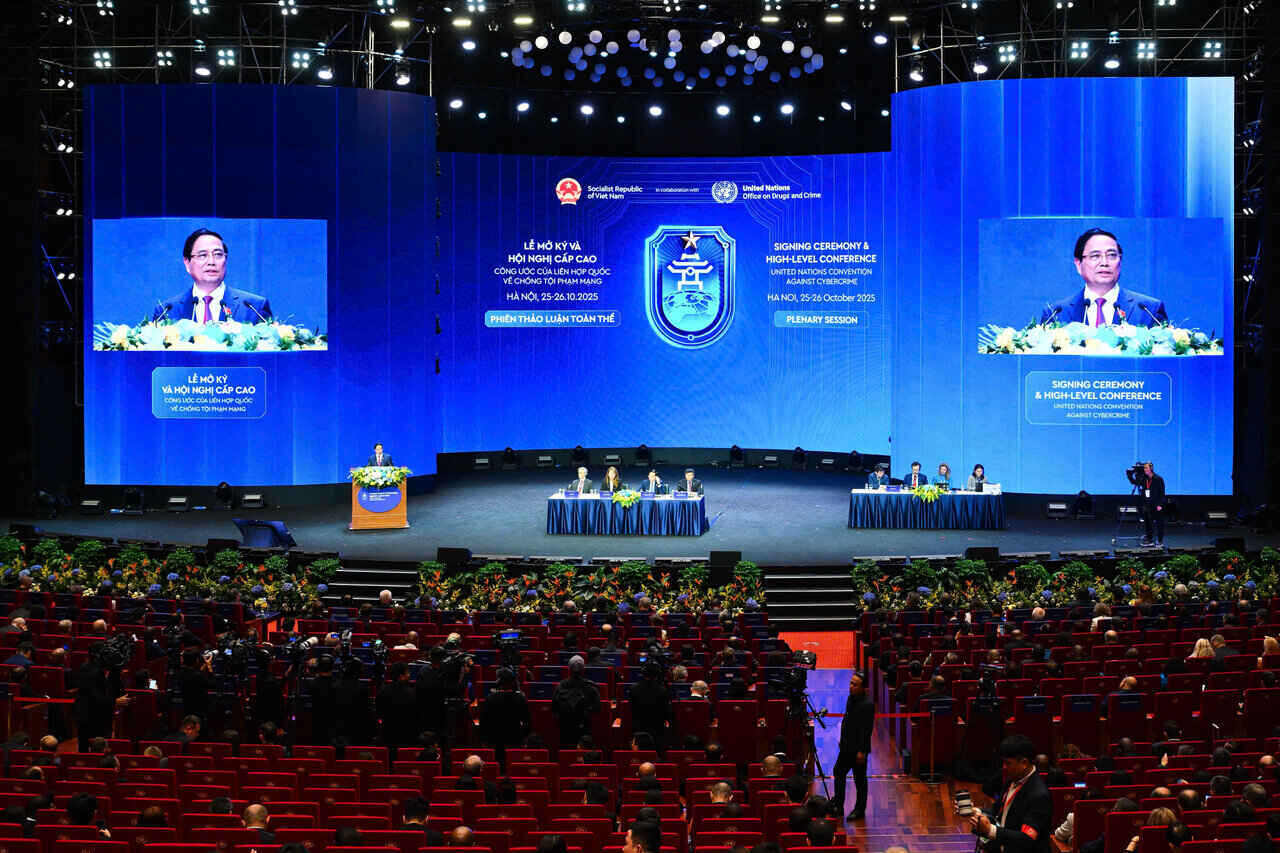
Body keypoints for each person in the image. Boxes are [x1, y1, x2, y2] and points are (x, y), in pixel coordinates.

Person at [1039, 228, 1168, 328]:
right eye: (1095, 256)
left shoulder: (1148, 310)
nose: (1104, 262)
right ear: (1078, 264)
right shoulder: (1056, 314)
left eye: (1111, 255)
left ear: (1120, 261)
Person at [152, 228, 273, 325]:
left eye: (218, 254)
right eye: (202, 255)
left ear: (226, 260)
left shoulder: (253, 308)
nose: (211, 261)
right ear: (187, 263)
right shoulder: (167, 311)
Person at [969, 734, 1052, 853]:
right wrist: (975, 812)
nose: (1003, 767)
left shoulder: (1039, 795)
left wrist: (990, 830)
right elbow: (997, 811)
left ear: (1024, 763)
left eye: (1008, 763)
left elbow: (1027, 838)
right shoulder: (1013, 779)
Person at [832, 671, 875, 821]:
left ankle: (859, 809)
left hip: (857, 750)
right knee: (838, 772)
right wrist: (842, 739)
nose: (851, 686)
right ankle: (838, 806)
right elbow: (847, 721)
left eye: (854, 684)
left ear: (863, 688)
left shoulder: (868, 705)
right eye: (851, 683)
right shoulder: (851, 698)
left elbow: (866, 730)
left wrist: (862, 751)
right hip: (846, 746)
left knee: (859, 779)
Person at [479, 667, 531, 765]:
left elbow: (483, 723)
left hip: (494, 742)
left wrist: (485, 741)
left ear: (499, 681)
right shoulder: (521, 698)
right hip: (515, 741)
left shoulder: (490, 698)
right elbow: (527, 723)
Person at [552, 656, 601, 746]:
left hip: (565, 731)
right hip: (585, 732)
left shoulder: (560, 687)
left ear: (569, 669)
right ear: (583, 670)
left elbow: (554, 709)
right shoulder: (591, 687)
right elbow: (597, 710)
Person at [1134, 461, 1166, 547]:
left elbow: (1162, 493)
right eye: (1144, 468)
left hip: (1156, 505)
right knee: (1148, 523)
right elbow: (1135, 483)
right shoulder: (1144, 479)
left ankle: (1160, 541)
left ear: (1151, 468)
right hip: (1147, 504)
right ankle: (1149, 539)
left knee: (1159, 523)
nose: (1144, 470)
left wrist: (1160, 505)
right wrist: (1130, 475)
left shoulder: (1158, 479)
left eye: (1146, 468)